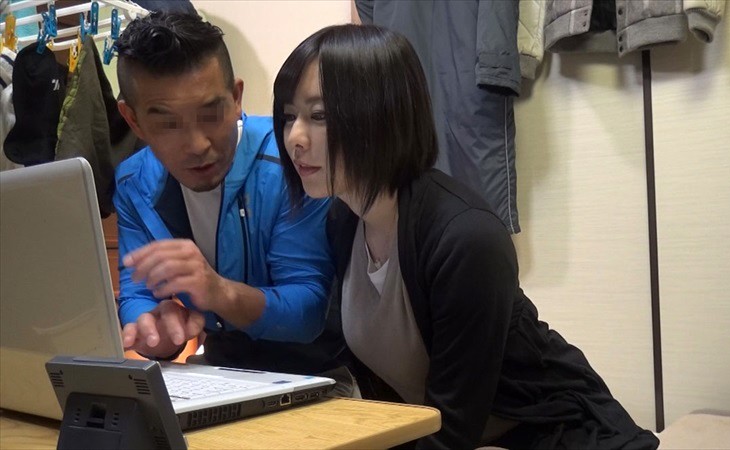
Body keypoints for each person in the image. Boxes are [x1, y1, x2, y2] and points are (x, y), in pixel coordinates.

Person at [273, 24, 660, 449]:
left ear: (381, 113)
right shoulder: (342, 220)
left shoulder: (464, 237)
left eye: (319, 116)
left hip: (558, 434)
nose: (294, 138)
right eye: (289, 116)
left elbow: (452, 430)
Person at [113, 12, 349, 388]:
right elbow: (137, 293)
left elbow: (308, 310)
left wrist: (220, 293)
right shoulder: (133, 183)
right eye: (167, 123)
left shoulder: (293, 163)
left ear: (237, 98)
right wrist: (155, 330)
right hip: (219, 371)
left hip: (322, 373)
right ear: (133, 120)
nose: (197, 145)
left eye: (211, 114)